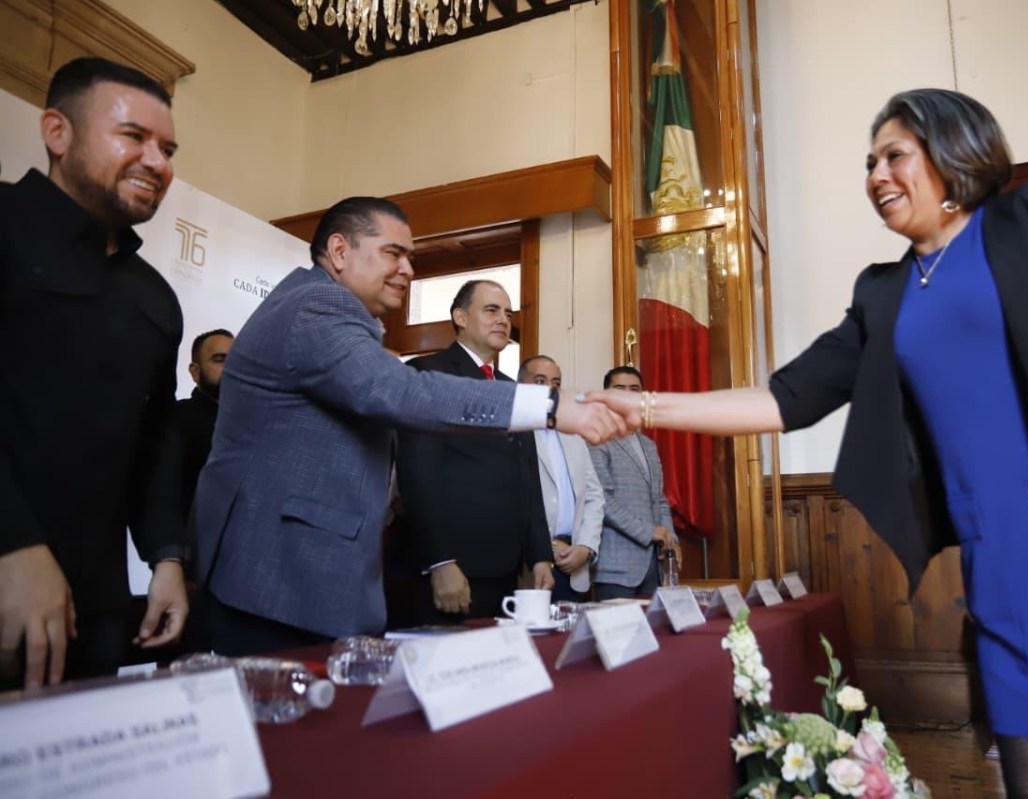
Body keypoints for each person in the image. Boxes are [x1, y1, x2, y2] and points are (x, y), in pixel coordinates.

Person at [589, 88, 1028, 797]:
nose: (876, 175)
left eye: (894, 155)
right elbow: (786, 398)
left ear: (954, 150)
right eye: (869, 163)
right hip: (1007, 581)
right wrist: (644, 406)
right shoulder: (884, 293)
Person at [193, 198, 625, 656]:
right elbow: (403, 393)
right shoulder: (316, 305)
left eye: (411, 258)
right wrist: (555, 406)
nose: (407, 270)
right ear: (339, 251)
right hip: (275, 581)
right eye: (393, 253)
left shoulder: (335, 312)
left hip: (313, 581)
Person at [0, 57, 190, 689]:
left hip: (95, 608)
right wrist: (13, 545)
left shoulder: (155, 297)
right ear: (57, 132)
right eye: (133, 136)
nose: (156, 162)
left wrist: (166, 557)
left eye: (167, 149)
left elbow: (155, 440)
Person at [394, 281, 554, 624]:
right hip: (454, 568)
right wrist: (439, 561)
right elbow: (419, 474)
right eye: (491, 310)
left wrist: (540, 555)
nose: (503, 320)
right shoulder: (427, 373)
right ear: (461, 317)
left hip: (507, 569)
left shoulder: (512, 389)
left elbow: (528, 476)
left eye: (507, 313)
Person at [588, 367, 681, 600]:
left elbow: (659, 500)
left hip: (655, 566)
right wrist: (649, 532)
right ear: (606, 395)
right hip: (615, 568)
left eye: (634, 389)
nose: (627, 395)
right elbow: (602, 501)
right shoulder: (596, 438)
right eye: (620, 389)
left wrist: (670, 538)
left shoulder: (649, 445)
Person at [518, 355, 604, 602]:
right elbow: (513, 500)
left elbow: (594, 496)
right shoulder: (514, 434)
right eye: (540, 381)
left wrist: (586, 547)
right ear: (521, 386)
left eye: (556, 382)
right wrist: (547, 546)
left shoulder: (572, 434)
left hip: (576, 566)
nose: (550, 388)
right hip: (532, 567)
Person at [175, 328, 234, 521]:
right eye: (219, 360)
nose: (231, 368)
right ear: (195, 371)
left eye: (237, 361)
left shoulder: (259, 423)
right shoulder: (175, 419)